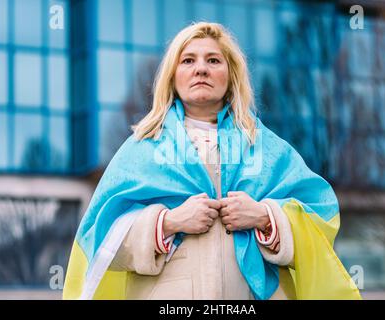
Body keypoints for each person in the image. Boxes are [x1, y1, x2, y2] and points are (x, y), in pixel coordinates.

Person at [63, 22, 361, 300]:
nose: (201, 69)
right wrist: (168, 222)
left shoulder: (266, 147)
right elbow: (99, 242)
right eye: (188, 60)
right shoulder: (142, 148)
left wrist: (264, 216)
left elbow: (320, 221)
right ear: (173, 76)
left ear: (230, 75)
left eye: (214, 61)